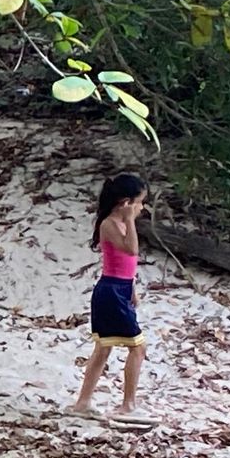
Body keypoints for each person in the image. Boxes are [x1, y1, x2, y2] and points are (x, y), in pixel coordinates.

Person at [68, 171, 151, 425]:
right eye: (139, 203)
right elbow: (132, 249)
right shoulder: (109, 224)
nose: (142, 208)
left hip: (121, 288)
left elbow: (127, 263)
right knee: (137, 347)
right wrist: (130, 220)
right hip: (110, 291)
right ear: (125, 203)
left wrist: (132, 289)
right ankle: (128, 405)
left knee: (104, 347)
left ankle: (83, 402)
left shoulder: (123, 225)